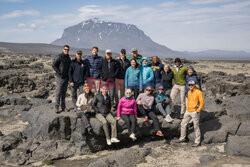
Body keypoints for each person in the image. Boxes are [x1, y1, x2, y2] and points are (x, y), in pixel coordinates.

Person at [174, 80, 204, 147]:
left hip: (194, 111)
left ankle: (197, 142)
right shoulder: (189, 92)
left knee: (196, 127)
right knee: (183, 124)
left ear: (194, 85)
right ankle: (182, 138)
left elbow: (202, 103)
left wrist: (198, 111)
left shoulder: (199, 92)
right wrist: (187, 109)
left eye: (192, 85)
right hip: (188, 111)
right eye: (189, 85)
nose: (190, 86)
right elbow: (188, 101)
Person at [52, 45, 71, 113]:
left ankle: (63, 106)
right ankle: (56, 106)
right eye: (65, 49)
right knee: (59, 92)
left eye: (68, 50)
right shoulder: (59, 56)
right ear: (63, 49)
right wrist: (59, 72)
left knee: (64, 92)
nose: (66, 50)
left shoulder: (68, 58)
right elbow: (54, 65)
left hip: (66, 78)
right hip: (60, 77)